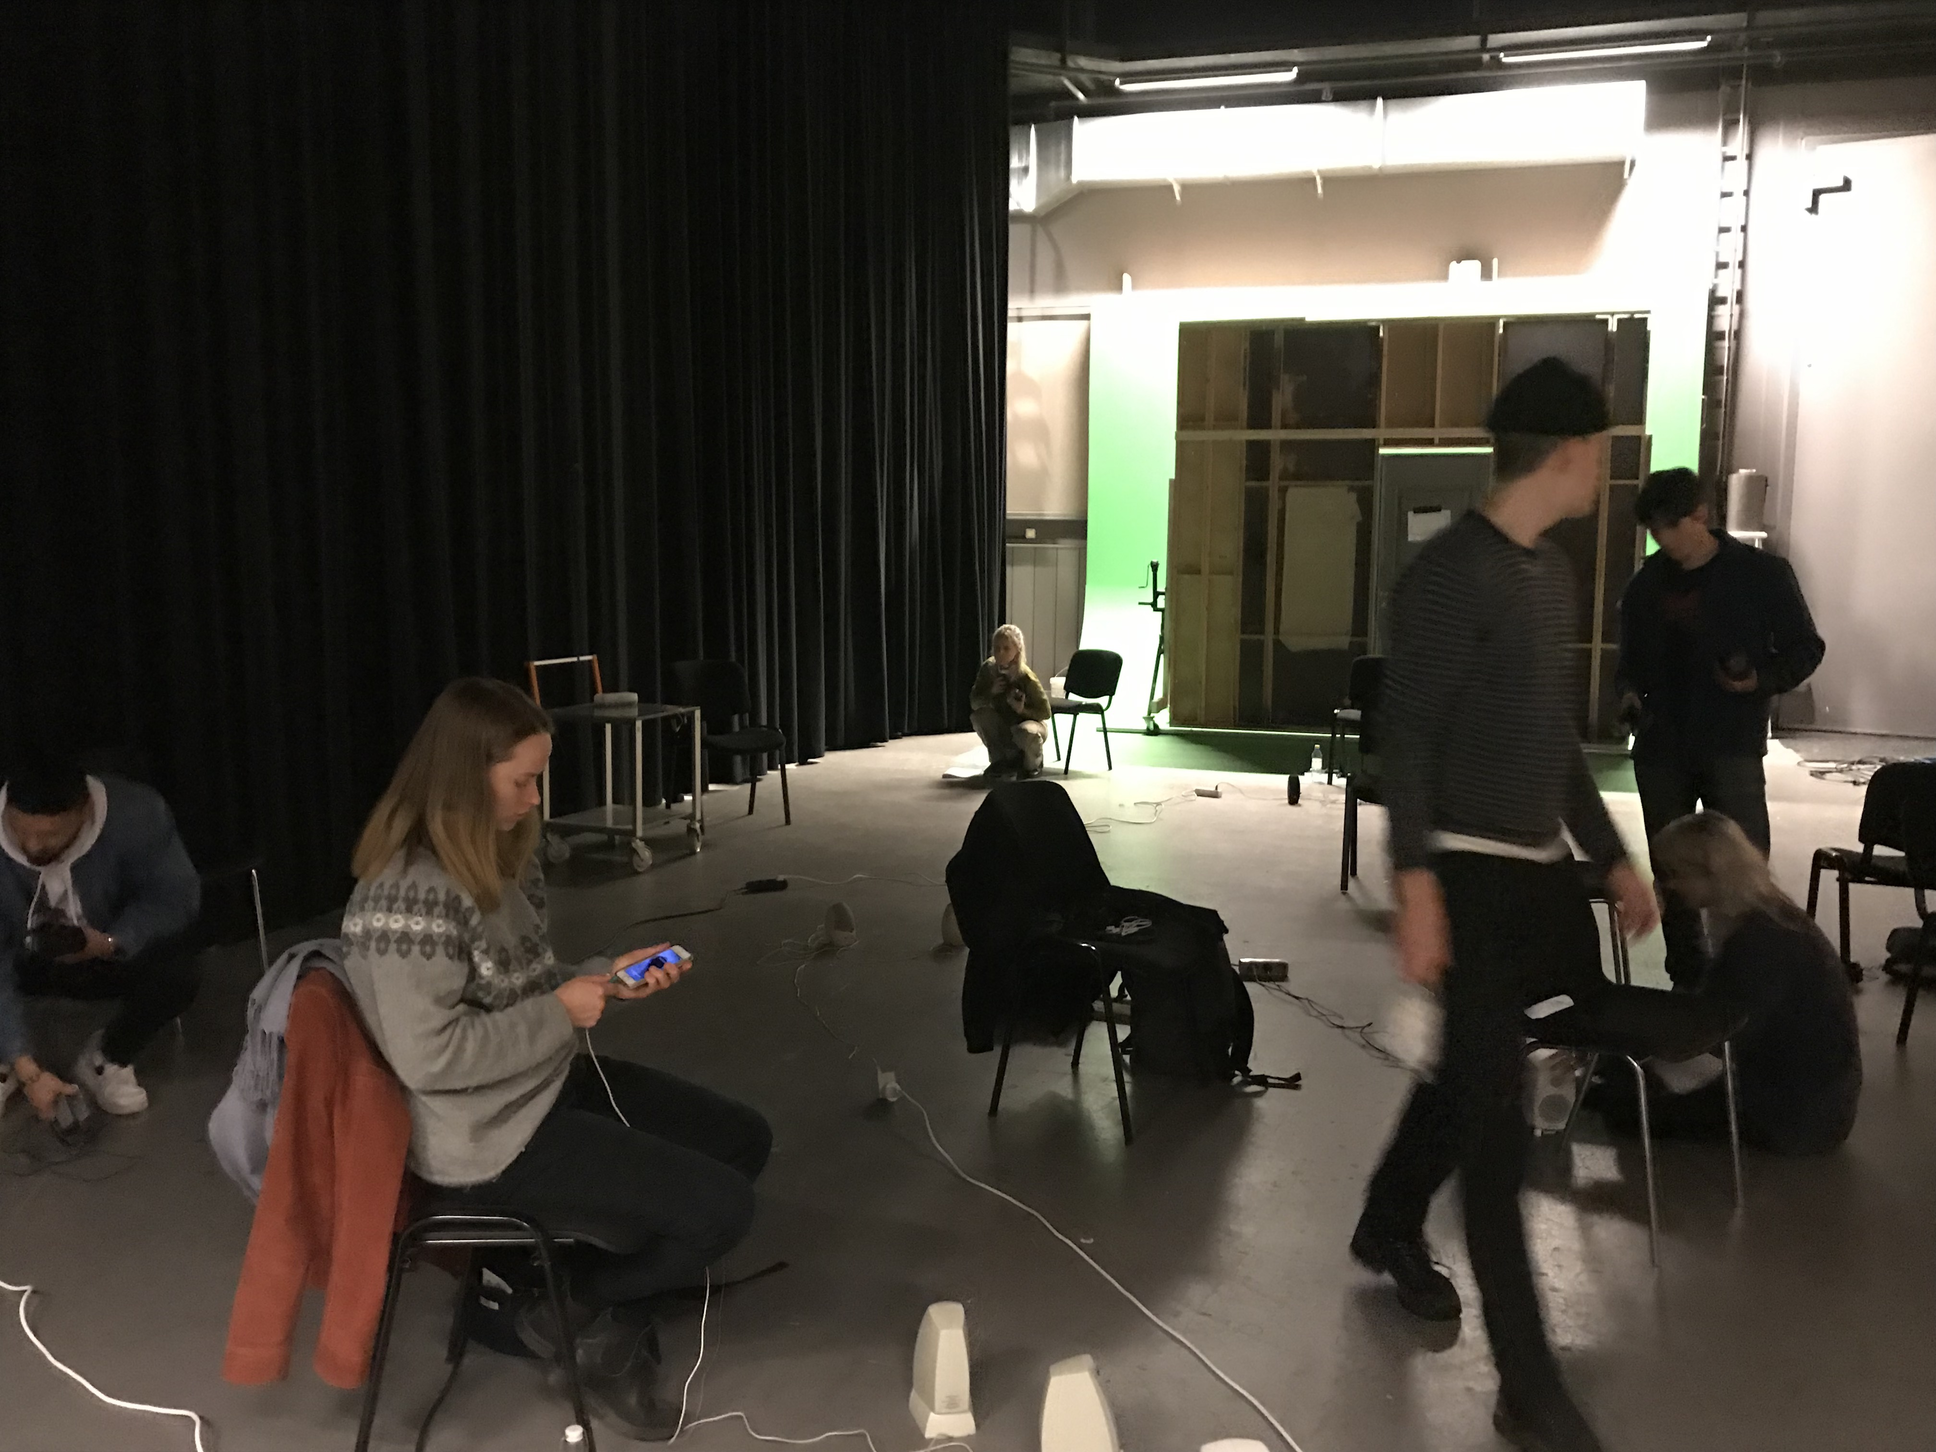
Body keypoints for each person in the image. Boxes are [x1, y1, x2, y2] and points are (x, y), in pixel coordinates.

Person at [1352, 357, 1659, 1452]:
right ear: (1571, 453)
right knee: (1496, 1135)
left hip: (1538, 874)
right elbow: (1407, 738)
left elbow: (1549, 737)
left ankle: (1388, 1221)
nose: (1603, 470)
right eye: (1601, 452)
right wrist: (1415, 886)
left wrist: (1610, 855)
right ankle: (1528, 1386)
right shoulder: (1450, 576)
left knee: (1474, 1072)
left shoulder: (1549, 574)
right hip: (1468, 878)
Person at [341, 677, 771, 1441]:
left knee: (743, 1139)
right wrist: (559, 1013)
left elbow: (526, 987)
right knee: (724, 1210)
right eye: (522, 781)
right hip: (487, 1142)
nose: (535, 798)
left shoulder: (494, 861)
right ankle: (578, 1306)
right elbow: (430, 1057)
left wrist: (604, 978)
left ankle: (585, 1298)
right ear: (464, 778)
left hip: (542, 1088)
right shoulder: (406, 897)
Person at [1615, 466, 1824, 987]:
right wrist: (1628, 694)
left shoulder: (1761, 575)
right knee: (1673, 868)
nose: (1662, 539)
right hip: (1662, 742)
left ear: (1701, 515)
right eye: (1654, 530)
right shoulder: (1646, 584)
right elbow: (1630, 660)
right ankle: (1688, 979)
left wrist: (1759, 680)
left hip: (1731, 740)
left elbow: (1806, 646)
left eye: (1670, 526)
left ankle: (1753, 975)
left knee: (1745, 864)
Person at [1592, 811, 1859, 1155]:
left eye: (1675, 874)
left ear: (1710, 874)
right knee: (1624, 1076)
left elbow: (1712, 1047)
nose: (1668, 886)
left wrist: (1639, 1073)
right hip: (1812, 1104)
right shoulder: (1774, 918)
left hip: (1789, 1115)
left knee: (1625, 1108)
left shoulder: (1758, 945)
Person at [1, 752, 201, 1118]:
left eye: (49, 836)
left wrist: (111, 941)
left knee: (179, 970)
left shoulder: (136, 814)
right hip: (22, 958)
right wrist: (27, 1068)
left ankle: (107, 1057)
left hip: (106, 949)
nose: (32, 847)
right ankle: (6, 1061)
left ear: (86, 812)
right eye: (20, 831)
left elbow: (175, 898)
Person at [969, 624, 1051, 778]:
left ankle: (1033, 763)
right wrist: (991, 692)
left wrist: (1022, 710)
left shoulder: (1026, 676)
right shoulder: (988, 669)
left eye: (1006, 649)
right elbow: (974, 703)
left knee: (1026, 732)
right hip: (1003, 725)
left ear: (1017, 650)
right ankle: (999, 761)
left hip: (1026, 725)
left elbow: (1045, 712)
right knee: (980, 716)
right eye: (997, 648)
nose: (1000, 653)